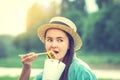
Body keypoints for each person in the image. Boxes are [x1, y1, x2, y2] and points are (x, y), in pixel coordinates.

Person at [19, 16, 97, 80]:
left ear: (69, 45)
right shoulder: (45, 74)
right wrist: (26, 67)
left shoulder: (82, 72)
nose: (53, 45)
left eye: (60, 40)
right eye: (49, 40)